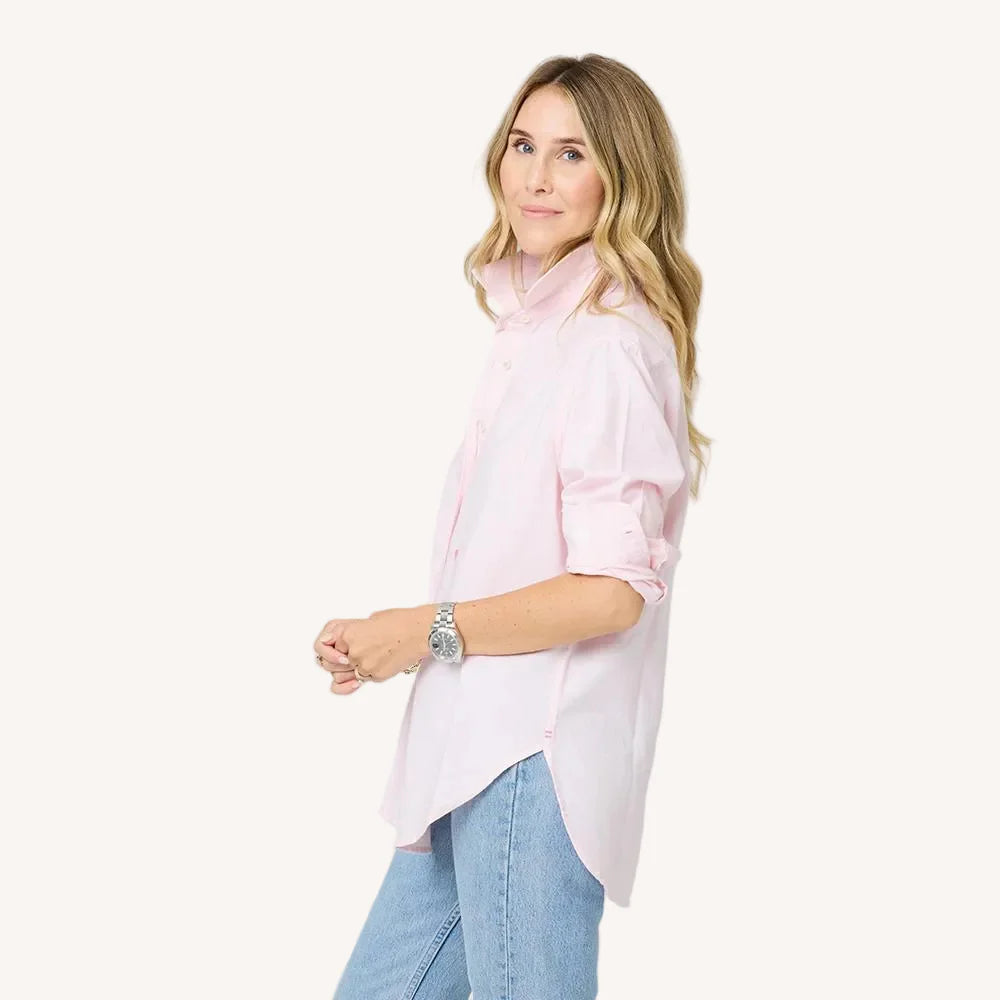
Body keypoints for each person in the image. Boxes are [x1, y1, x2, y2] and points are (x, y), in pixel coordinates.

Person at [315, 53, 709, 1000]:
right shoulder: (539, 334)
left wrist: (423, 630)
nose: (535, 175)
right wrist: (395, 637)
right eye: (523, 145)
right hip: (473, 758)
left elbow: (612, 593)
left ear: (622, 177)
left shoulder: (608, 343)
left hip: (532, 761)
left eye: (571, 153)